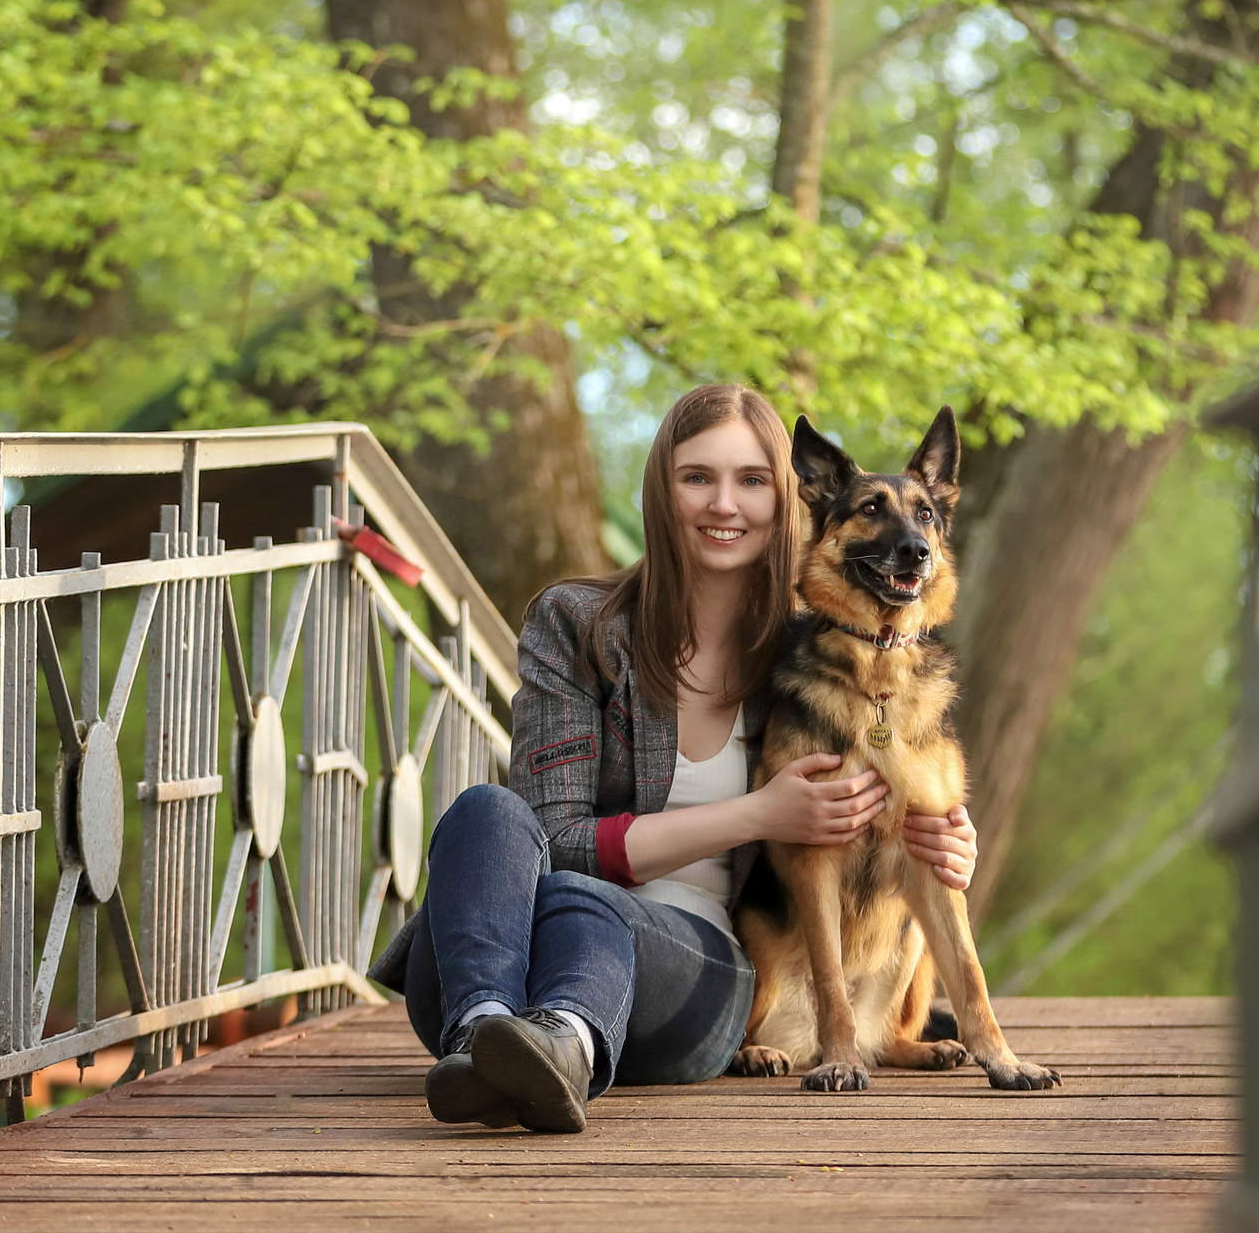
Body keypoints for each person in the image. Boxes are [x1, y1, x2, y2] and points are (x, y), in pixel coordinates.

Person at [367, 383, 980, 1132]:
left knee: (588, 906)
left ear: (785, 500)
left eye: (752, 480)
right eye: (698, 477)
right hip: (493, 963)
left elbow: (897, 785)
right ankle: (483, 1033)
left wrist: (948, 840)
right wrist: (756, 812)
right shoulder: (577, 624)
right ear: (662, 491)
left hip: (693, 974)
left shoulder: (815, 654)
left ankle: (562, 1045)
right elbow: (552, 838)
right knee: (488, 810)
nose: (725, 503)